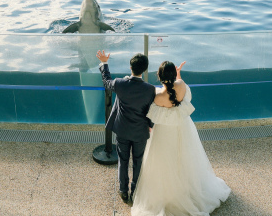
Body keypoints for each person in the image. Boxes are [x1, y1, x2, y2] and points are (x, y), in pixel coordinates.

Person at [131, 60, 231, 215]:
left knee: (164, 161)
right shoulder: (182, 85)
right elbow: (184, 95)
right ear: (173, 75)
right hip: (183, 127)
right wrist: (178, 74)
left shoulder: (157, 96)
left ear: (159, 76)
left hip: (164, 132)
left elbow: (151, 115)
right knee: (186, 157)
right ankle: (188, 189)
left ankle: (169, 193)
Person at [97, 50, 156, 205]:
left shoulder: (120, 83)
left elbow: (107, 82)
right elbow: (151, 111)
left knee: (123, 160)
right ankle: (135, 189)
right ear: (145, 69)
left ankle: (123, 191)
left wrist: (104, 63)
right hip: (140, 132)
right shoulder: (150, 89)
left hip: (122, 130)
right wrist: (150, 125)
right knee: (138, 161)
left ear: (131, 68)